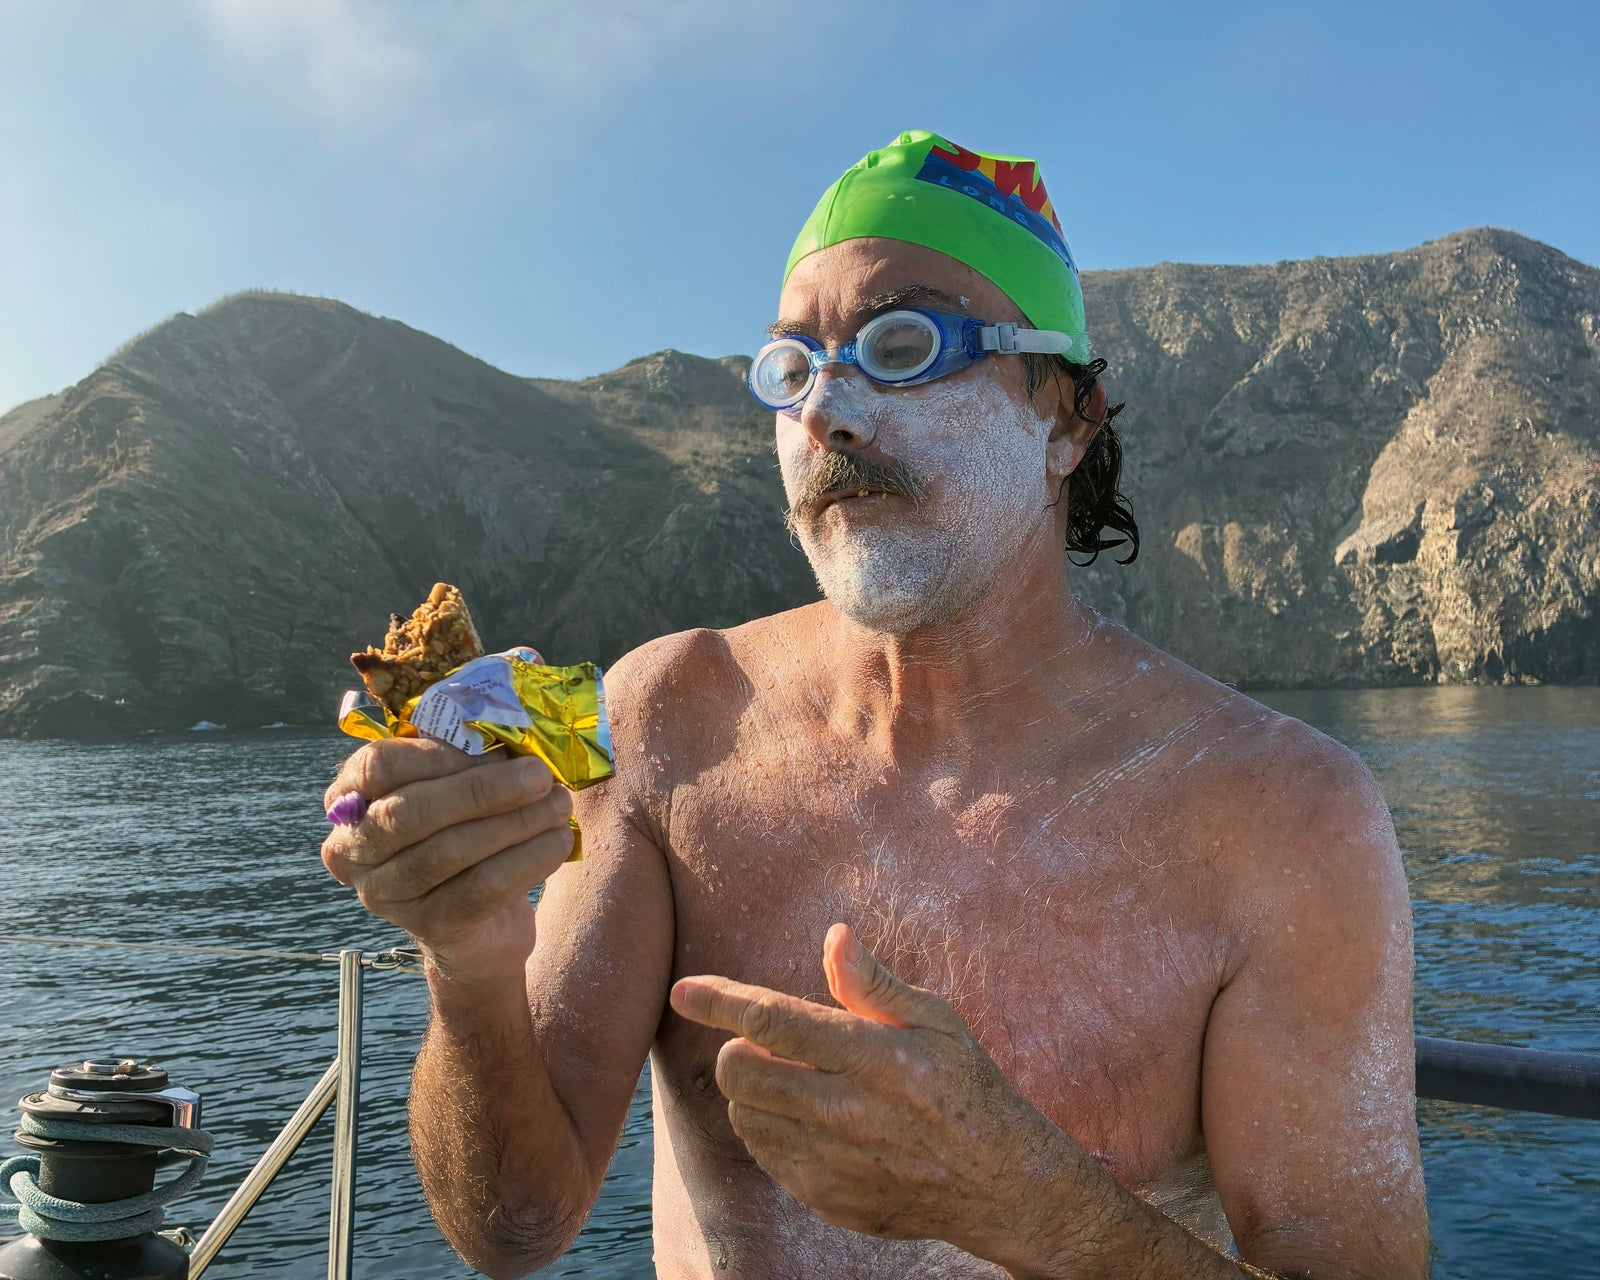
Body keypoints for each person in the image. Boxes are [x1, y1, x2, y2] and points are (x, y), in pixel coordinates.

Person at [320, 130, 1429, 1279]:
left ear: (1066, 419)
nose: (828, 411)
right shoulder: (670, 720)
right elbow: (514, 1225)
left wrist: (1036, 1207)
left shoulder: (1283, 817)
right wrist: (471, 960)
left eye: (904, 346)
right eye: (790, 367)